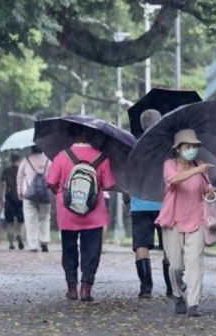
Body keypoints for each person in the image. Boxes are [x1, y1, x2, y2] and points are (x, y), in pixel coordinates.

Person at [46, 124, 116, 302]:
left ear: (71, 136)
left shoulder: (62, 156)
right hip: (94, 212)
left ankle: (71, 288)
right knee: (91, 249)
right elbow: (109, 185)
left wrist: (62, 194)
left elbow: (51, 182)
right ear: (91, 137)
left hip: (67, 210)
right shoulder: (101, 157)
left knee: (69, 248)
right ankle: (86, 289)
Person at [155, 129, 216, 318]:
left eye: (195, 147)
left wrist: (211, 192)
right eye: (188, 146)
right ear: (178, 149)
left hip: (196, 219)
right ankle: (178, 294)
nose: (192, 150)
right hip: (172, 220)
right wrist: (196, 170)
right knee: (175, 266)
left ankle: (193, 303)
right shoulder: (169, 164)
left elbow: (207, 190)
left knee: (195, 263)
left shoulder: (200, 165)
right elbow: (174, 180)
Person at [123, 108, 176, 299]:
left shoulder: (133, 148)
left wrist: (126, 201)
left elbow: (127, 179)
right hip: (166, 205)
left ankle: (146, 288)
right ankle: (172, 287)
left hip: (140, 205)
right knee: (169, 246)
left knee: (141, 246)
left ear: (142, 125)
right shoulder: (169, 148)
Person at [17, 145, 52, 252]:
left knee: (30, 219)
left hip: (29, 194)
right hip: (45, 194)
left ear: (32, 149)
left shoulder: (26, 160)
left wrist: (19, 191)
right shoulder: (49, 160)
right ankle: (44, 241)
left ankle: (33, 245)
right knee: (45, 218)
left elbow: (20, 177)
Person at [0, 153, 25, 250]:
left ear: (10, 160)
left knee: (10, 222)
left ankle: (11, 244)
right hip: (21, 196)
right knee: (22, 221)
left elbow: (3, 185)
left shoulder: (6, 170)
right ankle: (21, 236)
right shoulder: (23, 170)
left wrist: (2, 198)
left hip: (9, 197)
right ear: (19, 159)